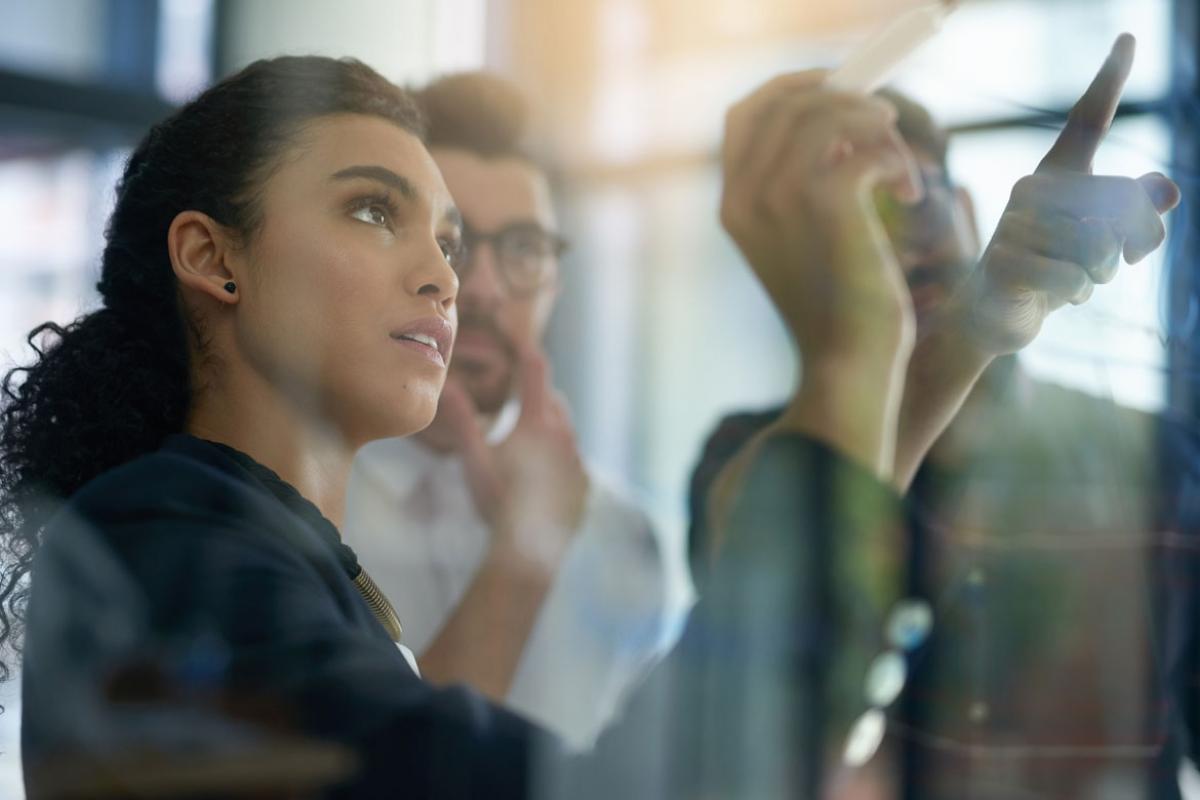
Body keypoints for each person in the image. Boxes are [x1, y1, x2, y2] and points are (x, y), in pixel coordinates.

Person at [2, 36, 1175, 799]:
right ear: (213, 256)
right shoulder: (158, 546)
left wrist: (967, 327)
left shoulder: (259, 547)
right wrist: (849, 345)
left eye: (452, 241)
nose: (450, 278)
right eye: (373, 211)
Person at [688, 89, 1172, 796]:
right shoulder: (754, 460)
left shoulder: (1147, 458)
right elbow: (754, 685)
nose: (899, 255)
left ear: (970, 211)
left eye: (911, 204)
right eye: (856, 231)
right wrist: (964, 330)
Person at [344, 73, 690, 751]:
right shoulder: (306, 512)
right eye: (453, 240)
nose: (479, 290)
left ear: (557, 280)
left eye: (525, 250)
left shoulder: (621, 536)